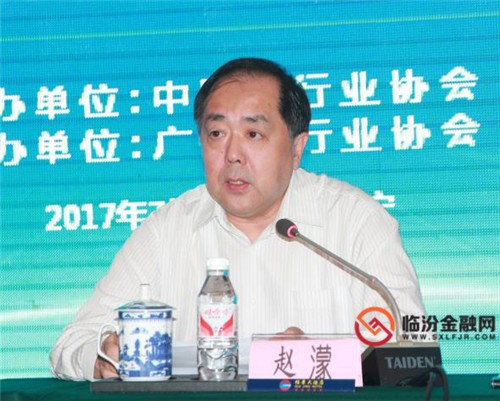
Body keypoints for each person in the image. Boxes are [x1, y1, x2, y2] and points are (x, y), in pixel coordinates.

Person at [50, 57, 425, 381]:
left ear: (297, 148)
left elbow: (413, 352)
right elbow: (72, 343)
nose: (232, 154)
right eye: (216, 133)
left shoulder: (356, 221)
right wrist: (104, 357)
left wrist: (316, 358)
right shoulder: (168, 229)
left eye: (253, 133)